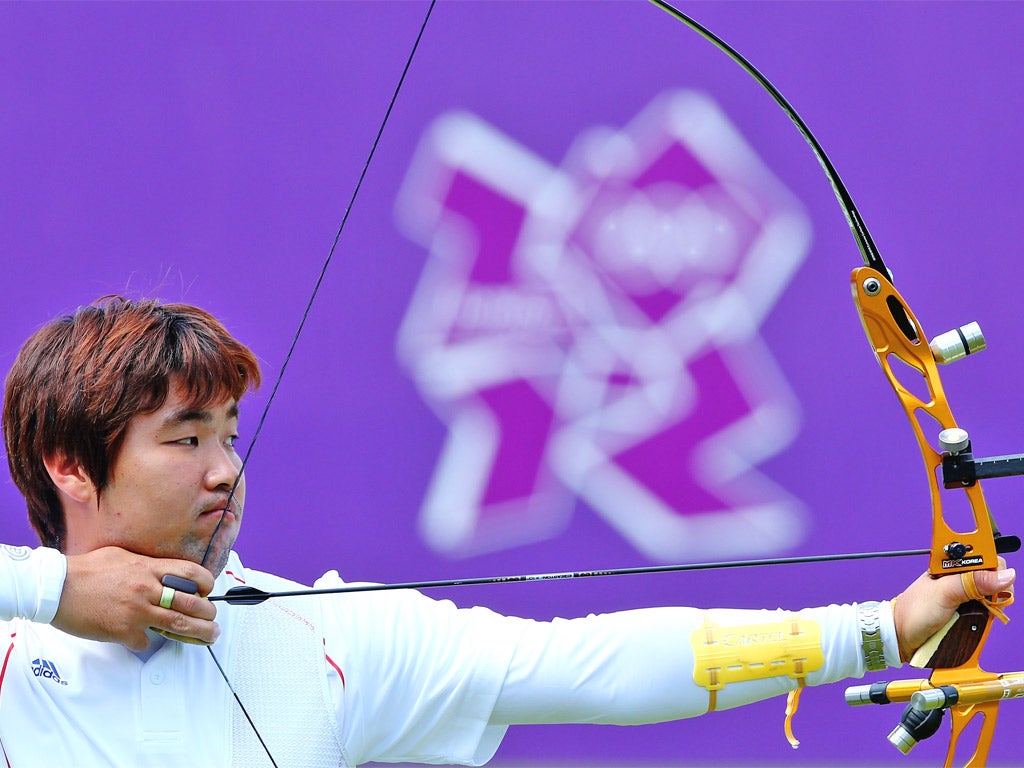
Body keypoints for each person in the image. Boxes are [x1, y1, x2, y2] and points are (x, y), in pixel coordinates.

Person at [0, 296, 1015, 767]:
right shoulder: (14, 648)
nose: (226, 469)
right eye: (184, 439)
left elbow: (592, 664)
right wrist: (58, 596)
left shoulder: (321, 638)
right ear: (69, 467)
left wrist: (880, 630)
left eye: (229, 432)